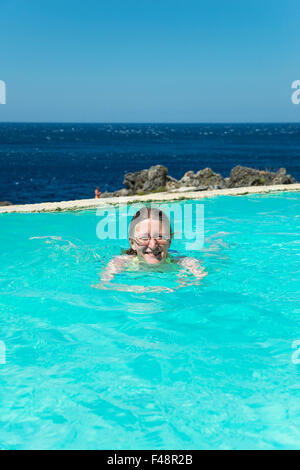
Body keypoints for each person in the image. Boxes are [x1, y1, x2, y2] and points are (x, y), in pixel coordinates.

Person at [93, 206, 207, 292]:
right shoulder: (120, 263)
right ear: (132, 243)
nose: (153, 245)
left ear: (170, 241)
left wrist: (185, 283)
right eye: (143, 238)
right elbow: (102, 286)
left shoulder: (183, 262)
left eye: (160, 237)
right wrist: (138, 289)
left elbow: (202, 283)